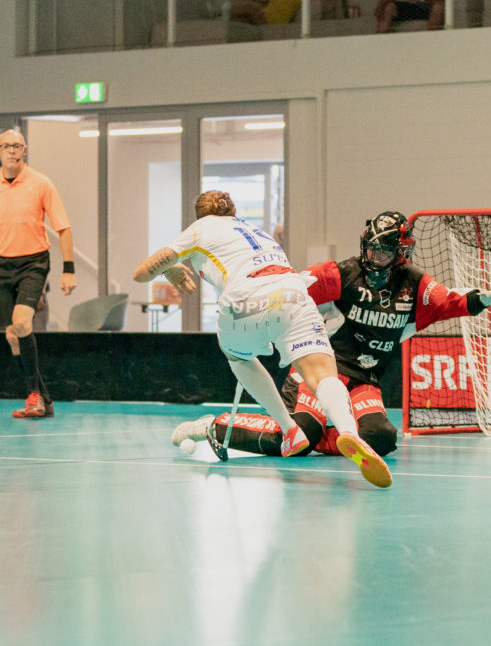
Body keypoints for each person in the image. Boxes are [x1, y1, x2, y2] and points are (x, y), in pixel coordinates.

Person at [172, 211, 491, 461]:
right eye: (370, 249)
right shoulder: (341, 273)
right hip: (320, 371)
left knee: (381, 438)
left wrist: (480, 299)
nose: (374, 258)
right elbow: (292, 285)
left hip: (364, 380)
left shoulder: (414, 284)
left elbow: (447, 301)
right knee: (295, 438)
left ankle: (329, 436)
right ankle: (217, 426)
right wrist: (261, 315)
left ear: (401, 254)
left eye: (383, 252)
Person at [133, 190, 392, 488]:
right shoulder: (256, 231)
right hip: (293, 292)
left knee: (237, 356)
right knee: (321, 374)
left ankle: (289, 429)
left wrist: (169, 267)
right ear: (232, 212)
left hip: (245, 301)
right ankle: (348, 431)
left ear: (200, 215)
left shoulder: (200, 228)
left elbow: (141, 273)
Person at [0, 129, 76, 419]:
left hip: (34, 263)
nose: (12, 150)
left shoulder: (41, 183)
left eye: (17, 146)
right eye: (6, 146)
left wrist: (68, 270)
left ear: (24, 150)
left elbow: (63, 228)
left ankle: (33, 397)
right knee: (12, 335)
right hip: (2, 265)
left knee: (21, 322)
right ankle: (44, 399)